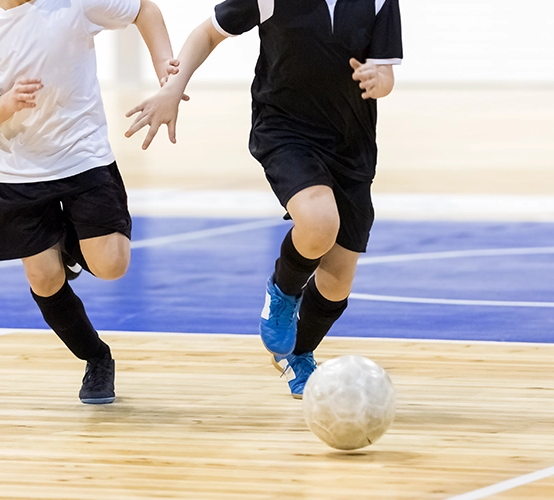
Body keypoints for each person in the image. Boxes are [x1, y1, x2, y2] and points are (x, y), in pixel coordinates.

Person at [125, 0, 403, 398]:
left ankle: (299, 353)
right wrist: (173, 88)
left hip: (353, 145)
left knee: (338, 280)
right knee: (319, 221)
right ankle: (283, 291)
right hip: (286, 130)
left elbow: (386, 72)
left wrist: (380, 80)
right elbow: (207, 32)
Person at [0, 0, 179, 404]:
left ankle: (67, 241)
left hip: (83, 158)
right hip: (18, 171)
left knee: (112, 265)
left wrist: (164, 65)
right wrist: (7, 103)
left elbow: (144, 10)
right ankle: (97, 358)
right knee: (44, 279)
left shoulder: (73, 4)